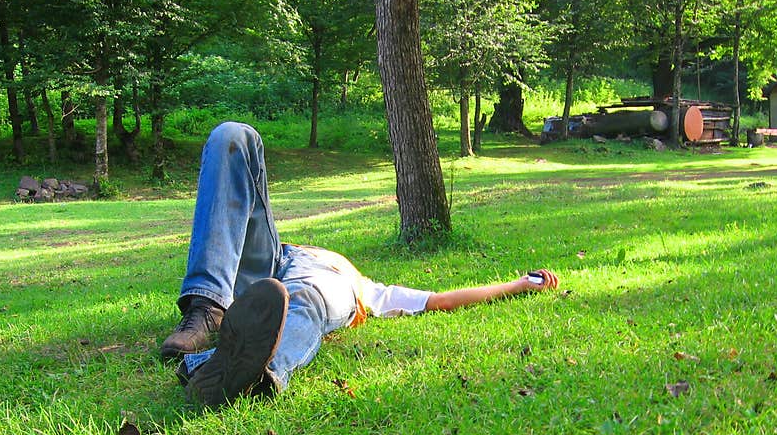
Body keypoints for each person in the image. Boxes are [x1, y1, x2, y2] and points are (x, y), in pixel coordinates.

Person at [160, 121, 559, 407]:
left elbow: (442, 300)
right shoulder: (295, 254)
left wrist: (519, 285)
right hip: (267, 264)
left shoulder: (368, 290)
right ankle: (206, 308)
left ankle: (233, 371)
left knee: (308, 298)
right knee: (234, 135)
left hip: (321, 284)